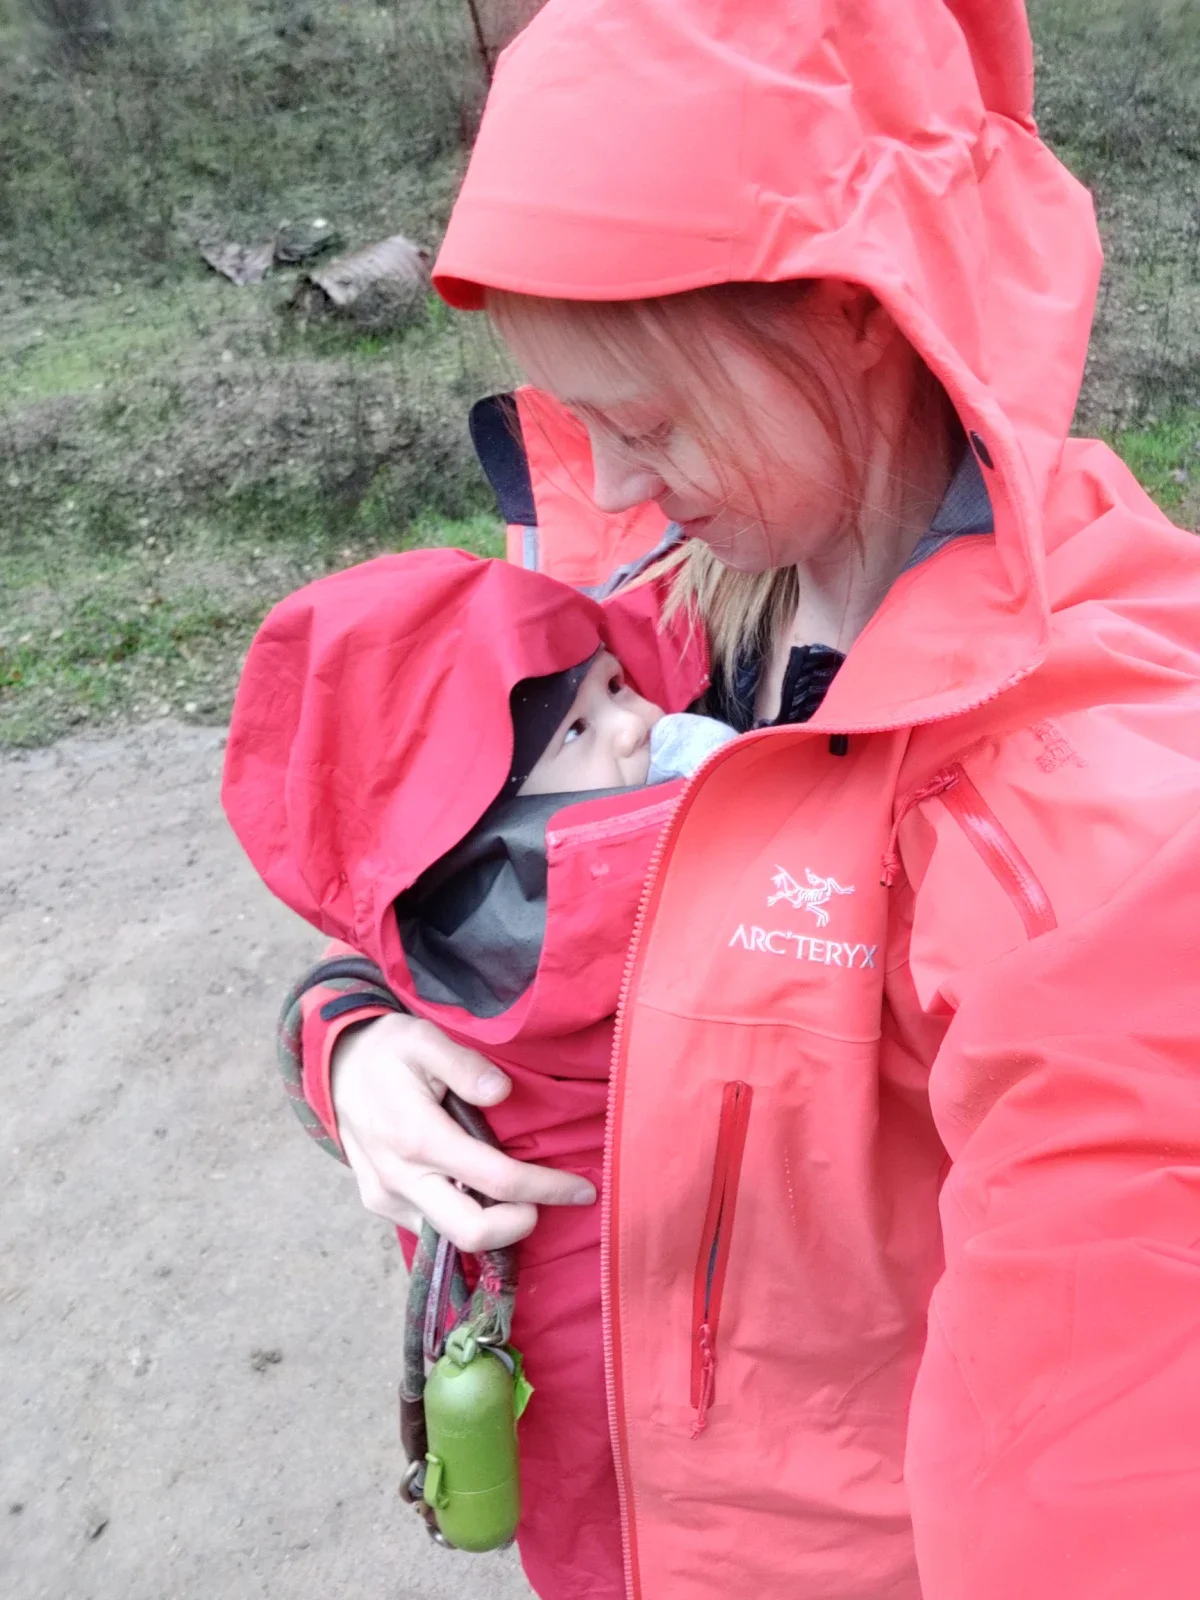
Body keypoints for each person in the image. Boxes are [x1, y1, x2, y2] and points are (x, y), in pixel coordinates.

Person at [271, 1, 1200, 1597]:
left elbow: (1107, 1417)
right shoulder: (672, 614)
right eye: (586, 424)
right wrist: (349, 1039)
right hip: (609, 1530)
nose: (618, 486)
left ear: (852, 313)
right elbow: (453, 894)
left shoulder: (1079, 778)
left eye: (649, 420)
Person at [222, 547, 727, 1597]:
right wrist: (342, 1036)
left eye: (619, 688)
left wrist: (337, 1028)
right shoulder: (659, 851)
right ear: (474, 835)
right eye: (582, 728)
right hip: (596, 1375)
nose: (640, 725)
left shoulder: (454, 901)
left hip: (593, 1357)